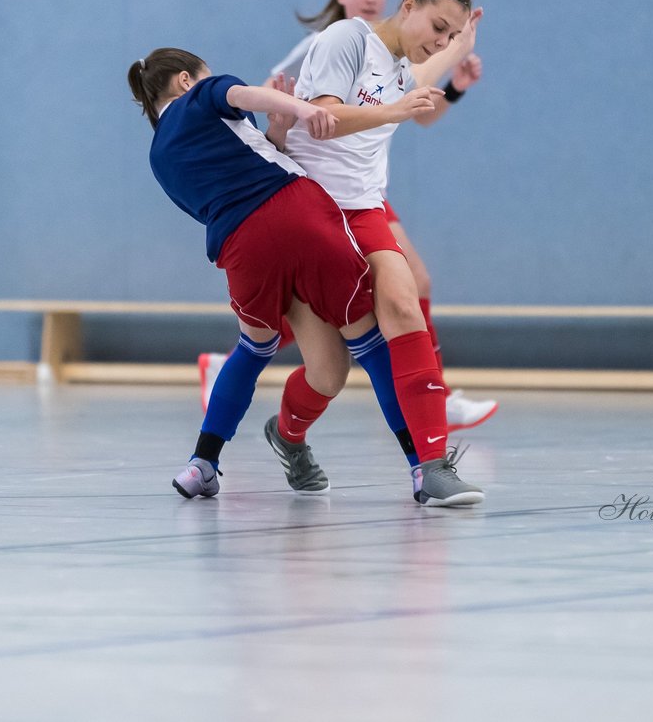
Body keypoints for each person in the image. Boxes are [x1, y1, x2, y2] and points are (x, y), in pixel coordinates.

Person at [128, 47, 483, 507]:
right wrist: (301, 109)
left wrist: (277, 133)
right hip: (297, 214)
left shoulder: (159, 156)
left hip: (241, 248)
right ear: (183, 80)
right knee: (370, 343)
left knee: (266, 351)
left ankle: (202, 463)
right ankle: (421, 467)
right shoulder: (202, 96)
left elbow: (235, 181)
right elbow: (246, 94)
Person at [199, 0, 498, 433]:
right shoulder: (332, 43)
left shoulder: (396, 58)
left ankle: (428, 404)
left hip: (362, 190)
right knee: (358, 306)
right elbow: (283, 107)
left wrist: (456, 74)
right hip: (312, 188)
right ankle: (245, 367)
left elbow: (420, 106)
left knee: (391, 293)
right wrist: (280, 125)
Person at [267, 0, 487, 504]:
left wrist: (460, 46)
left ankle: (432, 466)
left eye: (447, 34)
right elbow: (323, 117)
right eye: (435, 26)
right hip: (306, 211)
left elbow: (433, 68)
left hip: (363, 210)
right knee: (330, 373)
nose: (435, 42)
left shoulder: (404, 63)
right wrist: (394, 110)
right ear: (407, 5)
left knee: (405, 301)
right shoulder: (347, 39)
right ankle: (287, 434)